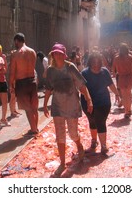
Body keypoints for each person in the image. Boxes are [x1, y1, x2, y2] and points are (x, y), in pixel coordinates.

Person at [43, 43, 93, 177]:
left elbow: (81, 85)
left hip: (72, 106)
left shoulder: (70, 67)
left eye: (60, 53)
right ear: (53, 54)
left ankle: (79, 145)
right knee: (60, 136)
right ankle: (62, 163)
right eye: (55, 53)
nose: (57, 55)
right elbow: (48, 88)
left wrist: (88, 99)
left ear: (64, 54)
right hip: (58, 106)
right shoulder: (51, 70)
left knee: (73, 134)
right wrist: (45, 104)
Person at [81, 51, 120, 154]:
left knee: (100, 121)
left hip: (103, 103)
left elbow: (110, 84)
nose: (96, 65)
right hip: (88, 104)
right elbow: (81, 88)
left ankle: (103, 145)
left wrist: (117, 94)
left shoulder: (105, 72)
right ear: (90, 62)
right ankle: (94, 142)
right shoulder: (84, 73)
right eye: (94, 62)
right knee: (92, 121)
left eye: (98, 62)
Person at [9, 33, 38, 135]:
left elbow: (12, 72)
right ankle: (36, 127)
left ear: (17, 41)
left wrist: (11, 85)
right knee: (34, 106)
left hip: (22, 82)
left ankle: (33, 130)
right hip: (32, 81)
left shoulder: (15, 55)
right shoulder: (32, 52)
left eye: (15, 42)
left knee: (27, 108)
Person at [112, 43, 132, 118]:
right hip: (129, 77)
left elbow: (113, 69)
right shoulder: (130, 57)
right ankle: (129, 109)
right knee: (129, 95)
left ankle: (127, 111)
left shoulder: (116, 58)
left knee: (124, 96)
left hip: (121, 77)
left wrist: (116, 75)